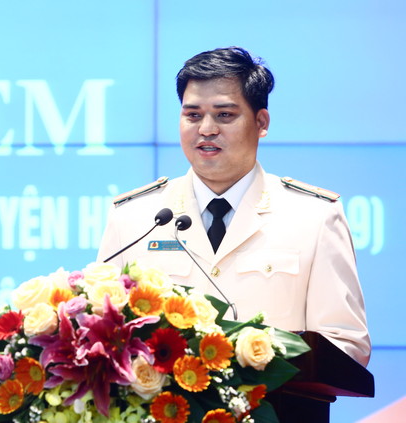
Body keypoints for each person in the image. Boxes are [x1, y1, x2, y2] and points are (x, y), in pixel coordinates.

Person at [97, 46, 370, 367]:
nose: (206, 129)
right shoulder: (134, 217)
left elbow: (346, 344)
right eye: (193, 115)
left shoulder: (314, 217)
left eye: (224, 115)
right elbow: (102, 332)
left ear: (261, 122)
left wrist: (254, 368)